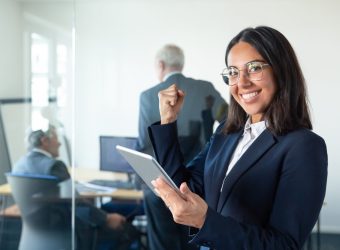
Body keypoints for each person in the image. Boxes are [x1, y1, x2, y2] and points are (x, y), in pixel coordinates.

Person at [149, 26, 328, 250]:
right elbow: (184, 187)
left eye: (254, 68)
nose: (242, 82)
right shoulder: (227, 132)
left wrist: (204, 221)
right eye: (233, 72)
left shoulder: (304, 146)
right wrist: (168, 121)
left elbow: (284, 245)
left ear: (281, 71)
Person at [137, 44, 227, 250]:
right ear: (181, 63)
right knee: (195, 242)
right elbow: (231, 124)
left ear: (160, 65)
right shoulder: (205, 89)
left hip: (158, 186)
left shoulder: (147, 96)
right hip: (199, 184)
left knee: (162, 244)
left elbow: (143, 143)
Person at [13, 125, 140, 250]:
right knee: (129, 231)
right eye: (56, 139)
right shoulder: (54, 166)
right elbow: (74, 201)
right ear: (45, 141)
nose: (59, 144)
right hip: (69, 230)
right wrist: (106, 218)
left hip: (36, 232)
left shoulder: (19, 165)